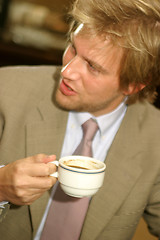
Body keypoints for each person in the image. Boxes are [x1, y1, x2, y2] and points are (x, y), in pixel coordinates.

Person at [0, 0, 160, 239]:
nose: (66, 72)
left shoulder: (154, 137)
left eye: (93, 67)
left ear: (134, 84)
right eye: (73, 48)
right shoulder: (6, 90)